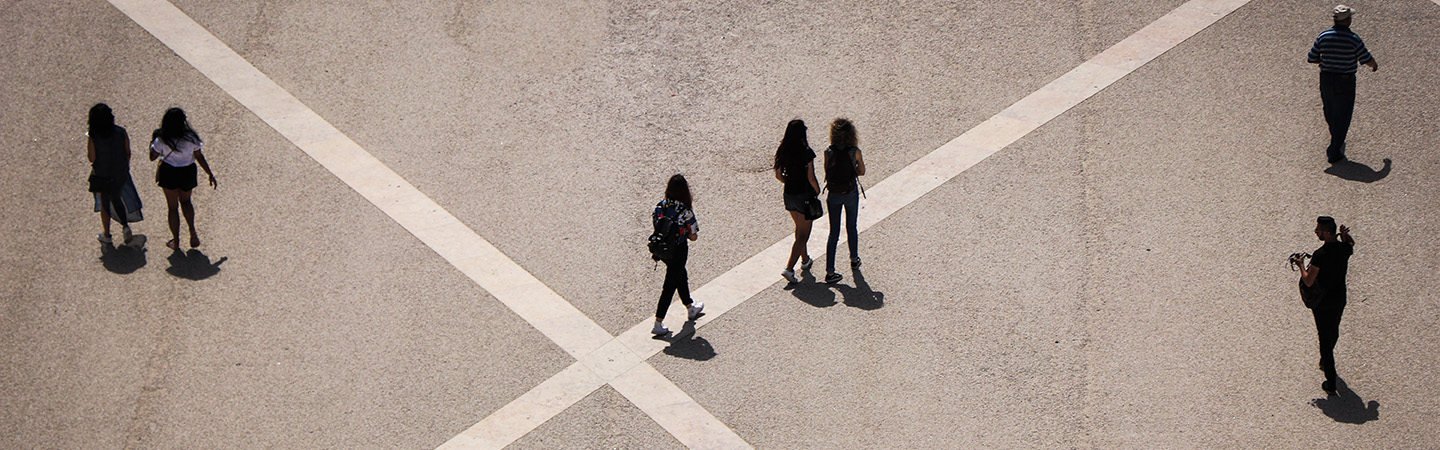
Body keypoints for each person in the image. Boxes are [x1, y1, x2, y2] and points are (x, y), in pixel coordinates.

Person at [1307, 4, 1377, 164]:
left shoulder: (1324, 36)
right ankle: (1334, 151)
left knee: (1330, 110)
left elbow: (1312, 57)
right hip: (1345, 81)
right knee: (1343, 115)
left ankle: (1336, 136)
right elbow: (1366, 58)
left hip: (1326, 79)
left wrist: (1327, 60)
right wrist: (1374, 66)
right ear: (1347, 21)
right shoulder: (1353, 39)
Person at [1295, 216, 1354, 395]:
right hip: (1339, 298)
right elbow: (1351, 244)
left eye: (1318, 230)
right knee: (1333, 331)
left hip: (1322, 302)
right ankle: (1326, 361)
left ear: (1327, 233)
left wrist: (1301, 265)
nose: (1316, 232)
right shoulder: (1344, 249)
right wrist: (1344, 236)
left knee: (1324, 341)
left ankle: (1331, 382)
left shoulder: (1320, 254)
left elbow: (1309, 280)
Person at [149, 108, 217, 250]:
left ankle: (176, 241)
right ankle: (192, 232)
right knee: (186, 202)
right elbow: (199, 157)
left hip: (169, 171)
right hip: (187, 171)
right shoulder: (191, 137)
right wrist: (209, 173)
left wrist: (152, 143)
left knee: (172, 207)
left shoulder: (162, 139)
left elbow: (152, 157)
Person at [651, 174, 704, 336]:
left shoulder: (660, 206)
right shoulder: (685, 211)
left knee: (680, 275)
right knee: (669, 286)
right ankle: (658, 322)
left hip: (663, 249)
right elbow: (693, 236)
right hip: (678, 250)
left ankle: (690, 307)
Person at [87, 103, 141, 245]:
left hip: (101, 174)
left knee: (104, 204)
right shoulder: (121, 132)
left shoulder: (94, 136)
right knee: (116, 197)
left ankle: (107, 234)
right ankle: (125, 226)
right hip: (120, 172)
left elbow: (92, 158)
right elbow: (127, 152)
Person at [774, 119, 820, 283]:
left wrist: (789, 183)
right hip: (804, 196)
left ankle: (805, 259)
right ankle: (789, 269)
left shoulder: (782, 150)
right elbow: (811, 177)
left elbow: (778, 175)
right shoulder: (806, 152)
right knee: (803, 235)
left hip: (789, 195)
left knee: (799, 229)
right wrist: (817, 190)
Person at [822, 118, 866, 284]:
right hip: (850, 192)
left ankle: (830, 271)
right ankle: (854, 259)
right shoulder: (855, 151)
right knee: (851, 226)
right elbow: (862, 171)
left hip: (833, 194)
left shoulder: (828, 152)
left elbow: (827, 172)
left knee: (833, 232)